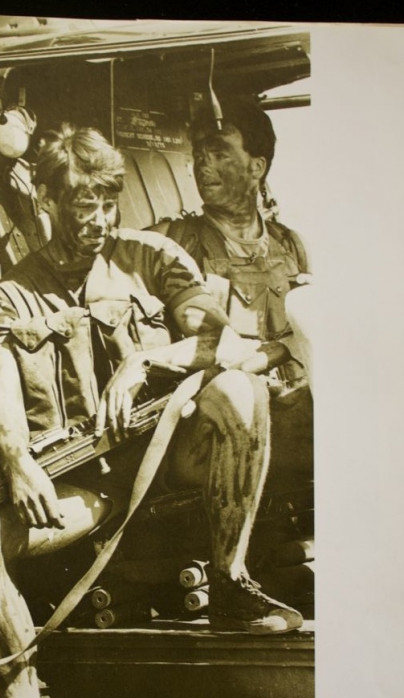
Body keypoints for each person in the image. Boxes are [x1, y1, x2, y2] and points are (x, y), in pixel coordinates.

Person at [0, 123, 303, 698]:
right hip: (86, 490)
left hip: (165, 463)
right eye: (84, 208)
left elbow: (221, 341)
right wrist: (16, 461)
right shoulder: (12, 294)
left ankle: (230, 585)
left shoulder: (150, 257)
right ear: (47, 202)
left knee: (236, 389)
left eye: (108, 205)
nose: (100, 221)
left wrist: (144, 363)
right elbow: (2, 395)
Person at [149, 96, 315, 489]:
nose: (203, 165)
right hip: (212, 423)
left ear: (257, 167)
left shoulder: (290, 245)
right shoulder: (169, 240)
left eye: (219, 153)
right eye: (199, 154)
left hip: (288, 410)